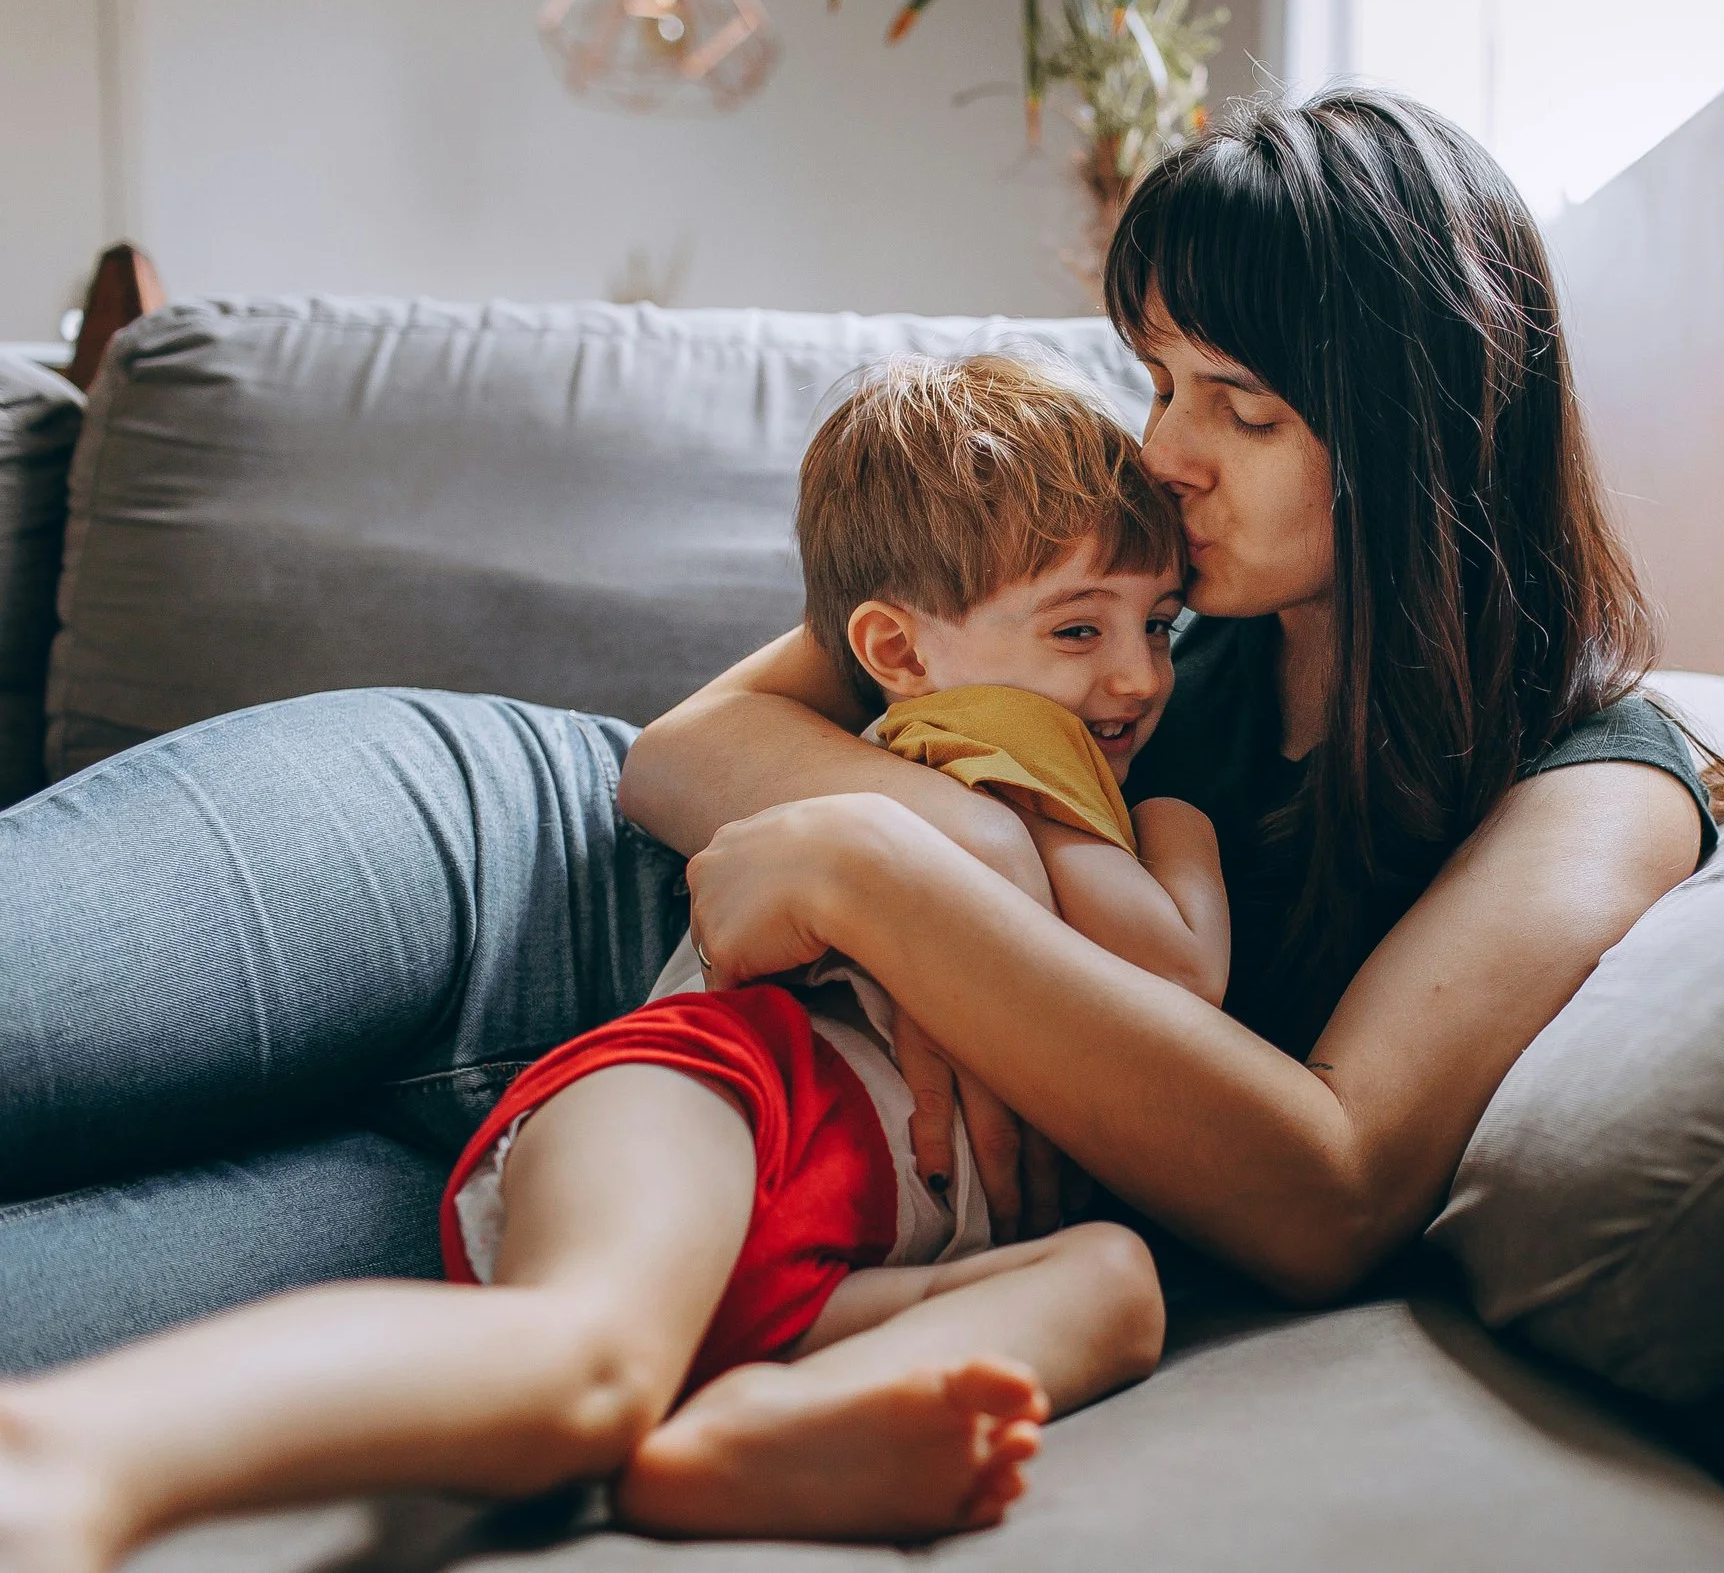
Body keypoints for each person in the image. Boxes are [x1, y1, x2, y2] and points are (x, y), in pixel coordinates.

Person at [0, 86, 1724, 1493]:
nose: (1166, 454)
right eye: (1160, 380)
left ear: (1423, 420)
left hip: (675, 1180)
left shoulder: (1596, 781)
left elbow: (1325, 1187)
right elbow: (681, 759)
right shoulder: (1144, 619)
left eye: (1244, 407)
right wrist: (957, 857)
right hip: (500, 871)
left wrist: (882, 889)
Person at [0, 356, 1216, 1567]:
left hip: (855, 1236)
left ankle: (751, 1425)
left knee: (1116, 1283)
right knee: (576, 1363)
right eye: (1079, 628)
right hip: (710, 1081)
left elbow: (1181, 1059)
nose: (1138, 674)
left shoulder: (1110, 777)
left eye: (1161, 625)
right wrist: (1083, 834)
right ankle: (78, 1455)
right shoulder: (954, 738)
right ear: (895, 652)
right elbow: (1170, 981)